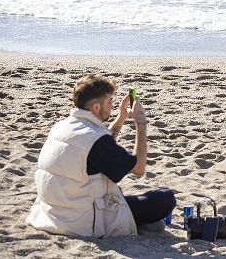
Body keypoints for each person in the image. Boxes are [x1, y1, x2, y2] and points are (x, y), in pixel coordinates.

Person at [26, 74, 176, 237]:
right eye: (110, 101)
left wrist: (121, 117)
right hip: (82, 219)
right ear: (96, 107)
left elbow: (99, 147)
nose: (112, 106)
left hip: (53, 212)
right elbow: (139, 168)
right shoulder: (97, 141)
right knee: (165, 198)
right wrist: (141, 123)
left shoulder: (61, 127)